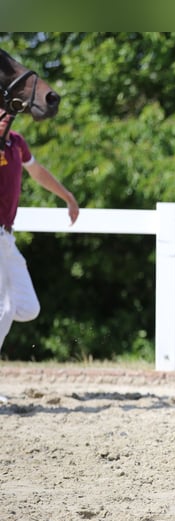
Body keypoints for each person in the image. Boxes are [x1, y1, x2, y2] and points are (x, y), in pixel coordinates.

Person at [0, 113, 79, 355]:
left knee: (26, 307)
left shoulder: (16, 142)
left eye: (7, 110)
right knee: (4, 306)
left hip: (6, 238)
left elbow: (36, 171)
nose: (5, 115)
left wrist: (68, 197)